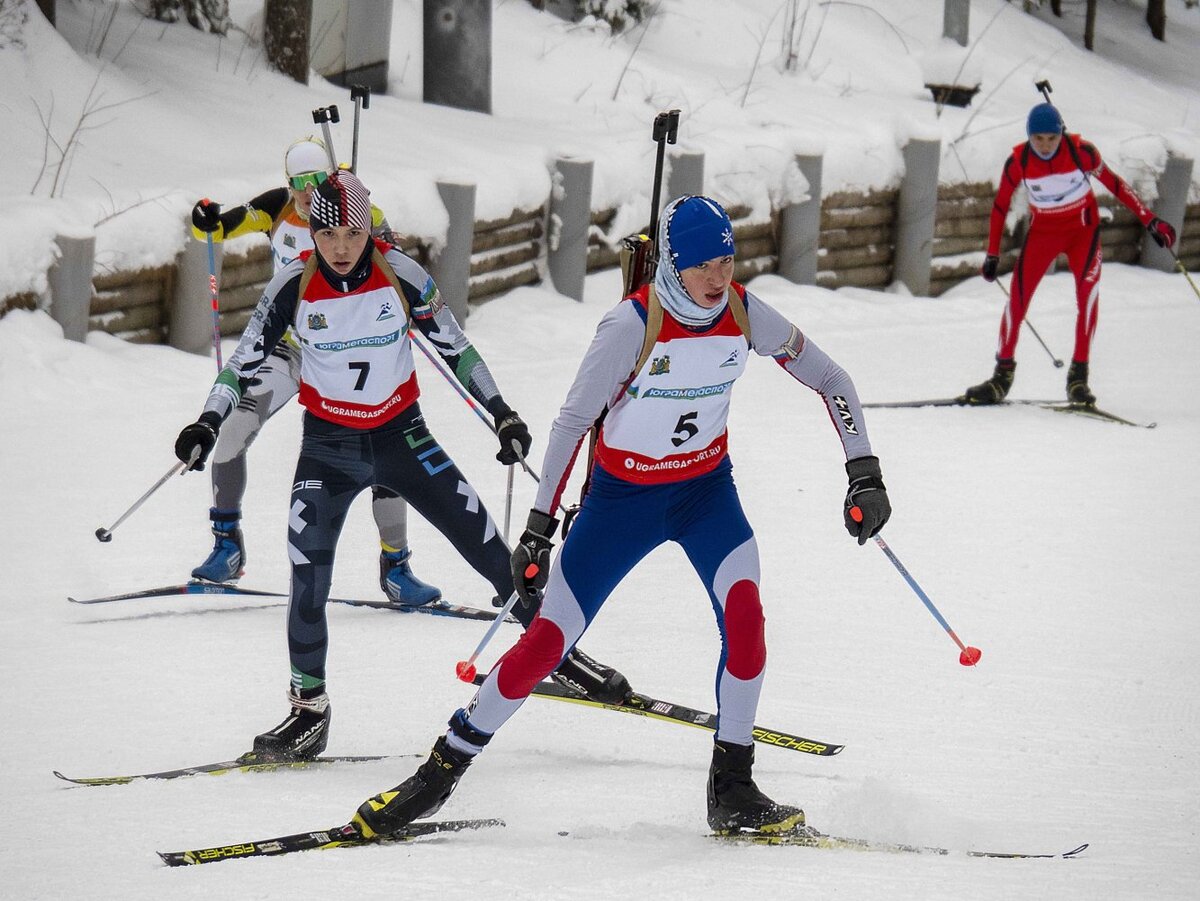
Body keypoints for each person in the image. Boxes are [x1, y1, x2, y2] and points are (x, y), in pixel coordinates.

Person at [350, 195, 892, 839]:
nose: (720, 278)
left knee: (747, 623)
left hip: (704, 496)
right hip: (621, 503)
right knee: (546, 644)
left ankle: (734, 788)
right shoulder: (632, 325)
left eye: (727, 261)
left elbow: (833, 378)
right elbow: (573, 422)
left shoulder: (744, 313)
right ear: (673, 264)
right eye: (705, 266)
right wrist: (538, 527)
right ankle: (437, 774)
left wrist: (865, 468)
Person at [174, 170, 632, 761]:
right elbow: (243, 360)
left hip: (402, 437)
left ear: (370, 228)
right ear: (312, 232)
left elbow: (456, 347)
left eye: (352, 233)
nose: (340, 247)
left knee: (490, 548)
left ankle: (559, 657)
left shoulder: (399, 272)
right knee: (308, 579)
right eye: (328, 234)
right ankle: (308, 709)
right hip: (328, 450)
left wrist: (503, 414)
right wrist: (207, 422)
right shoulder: (294, 283)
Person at [188, 137, 439, 606]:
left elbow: (393, 255)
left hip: (348, 354)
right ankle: (227, 546)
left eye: (316, 181)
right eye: (297, 183)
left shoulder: (360, 207)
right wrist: (206, 218)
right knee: (234, 428)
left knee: (381, 446)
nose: (306, 192)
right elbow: (219, 228)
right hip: (291, 352)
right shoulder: (276, 209)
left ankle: (397, 566)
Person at [964, 102, 1177, 406]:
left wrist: (1150, 219)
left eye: (1052, 138)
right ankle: (1002, 376)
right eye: (1039, 139)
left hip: (1083, 233)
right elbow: (1000, 205)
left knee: (1088, 300)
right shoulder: (1019, 161)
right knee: (1017, 301)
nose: (1046, 145)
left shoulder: (1082, 153)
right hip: (1044, 235)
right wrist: (993, 254)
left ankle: (1078, 379)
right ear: (1030, 137)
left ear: (1060, 133)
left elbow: (1116, 185)